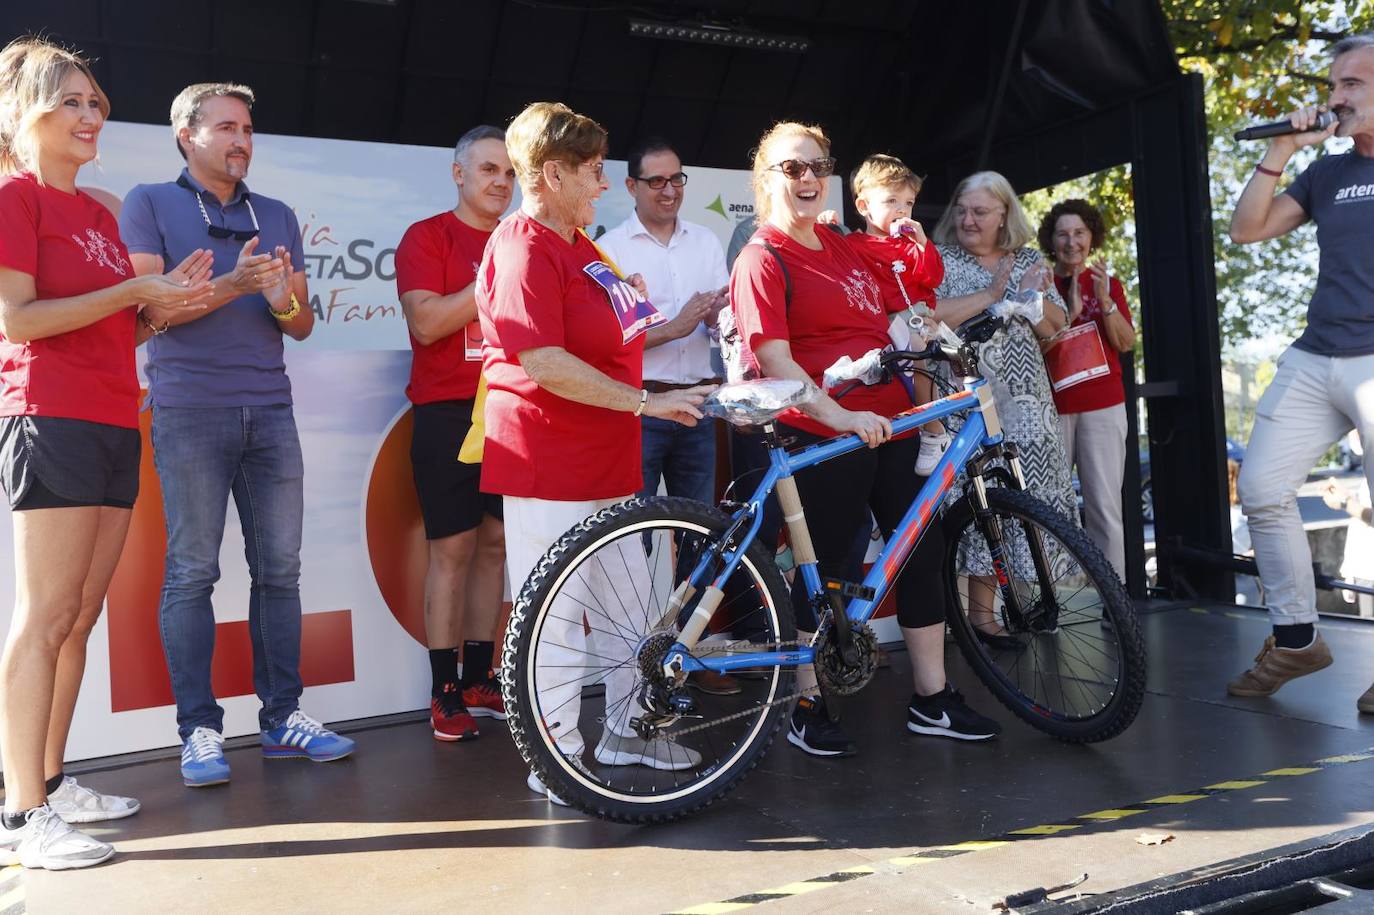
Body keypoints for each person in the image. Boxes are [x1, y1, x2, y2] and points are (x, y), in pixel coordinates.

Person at [0, 37, 213, 869]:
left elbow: (115, 323)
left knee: (80, 615)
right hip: (47, 416)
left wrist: (174, 301)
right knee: (44, 616)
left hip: (114, 417)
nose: (93, 116)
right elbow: (16, 319)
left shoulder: (97, 210)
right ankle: (20, 814)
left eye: (96, 102)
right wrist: (132, 288)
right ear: (30, 114)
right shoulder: (16, 198)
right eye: (74, 103)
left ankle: (48, 780)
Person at [730, 121, 1001, 757]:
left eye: (816, 166)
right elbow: (773, 357)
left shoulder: (842, 245)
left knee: (922, 554)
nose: (806, 178)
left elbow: (910, 295)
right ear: (765, 179)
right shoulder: (761, 257)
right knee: (825, 570)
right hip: (823, 433)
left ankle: (932, 699)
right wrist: (839, 416)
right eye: (791, 168)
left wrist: (909, 243)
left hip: (893, 423)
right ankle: (805, 702)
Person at [475, 102, 712, 804]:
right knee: (555, 617)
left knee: (634, 612)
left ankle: (626, 729)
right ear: (551, 172)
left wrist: (636, 310)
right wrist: (646, 403)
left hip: (607, 460)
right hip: (550, 460)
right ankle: (556, 757)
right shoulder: (521, 245)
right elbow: (544, 361)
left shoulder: (580, 242)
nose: (602, 186)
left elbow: (624, 329)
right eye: (591, 171)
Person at [119, 82, 355, 788]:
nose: (241, 139)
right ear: (185, 136)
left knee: (280, 570)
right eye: (226, 126)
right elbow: (146, 315)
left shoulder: (276, 213)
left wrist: (276, 292)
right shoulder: (149, 203)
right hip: (189, 412)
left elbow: (301, 321)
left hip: (271, 415)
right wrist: (232, 283)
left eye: (247, 128)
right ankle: (197, 729)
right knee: (193, 571)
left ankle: (284, 716)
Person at [1226, 33, 1374, 705]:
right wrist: (1281, 150)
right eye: (1334, 85)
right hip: (1318, 354)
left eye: (1352, 85)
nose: (1336, 98)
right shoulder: (1328, 172)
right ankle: (1295, 638)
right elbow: (1247, 230)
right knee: (1260, 487)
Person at [596, 136, 738, 696]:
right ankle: (637, 669)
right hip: (642, 405)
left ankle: (689, 655)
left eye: (677, 179)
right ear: (630, 187)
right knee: (634, 542)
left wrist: (720, 323)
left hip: (699, 403)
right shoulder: (610, 250)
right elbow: (611, 343)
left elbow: (719, 325)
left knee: (700, 533)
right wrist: (678, 325)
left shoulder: (706, 240)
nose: (669, 190)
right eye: (656, 180)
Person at [395, 126, 512, 742]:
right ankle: (443, 691)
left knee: (496, 548)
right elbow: (428, 320)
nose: (501, 182)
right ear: (459, 173)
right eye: (489, 169)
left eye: (510, 173)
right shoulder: (428, 236)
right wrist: (493, 276)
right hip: (447, 412)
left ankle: (478, 677)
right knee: (454, 551)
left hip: (512, 412)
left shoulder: (525, 239)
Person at [931, 171, 1073, 648]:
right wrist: (992, 296)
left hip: (1028, 398)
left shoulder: (1028, 259)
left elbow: (1057, 323)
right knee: (977, 497)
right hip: (970, 394)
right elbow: (928, 315)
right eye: (963, 210)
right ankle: (977, 617)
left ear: (1005, 216)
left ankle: (1023, 602)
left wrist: (1033, 301)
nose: (968, 220)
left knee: (1024, 497)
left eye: (981, 212)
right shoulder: (940, 259)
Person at [1038, 198, 1136, 580]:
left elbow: (1126, 343)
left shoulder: (1108, 284)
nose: (1071, 241)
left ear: (1091, 236)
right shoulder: (1041, 284)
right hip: (1053, 408)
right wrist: (1072, 313)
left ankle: (1115, 602)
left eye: (1079, 232)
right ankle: (1053, 601)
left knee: (1103, 506)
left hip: (1102, 406)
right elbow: (1035, 347)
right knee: (1049, 507)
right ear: (1052, 239)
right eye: (1063, 233)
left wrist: (1107, 302)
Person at [835, 154, 949, 473]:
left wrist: (923, 242)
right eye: (891, 200)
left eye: (908, 203)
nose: (902, 210)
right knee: (909, 371)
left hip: (915, 316)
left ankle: (934, 432)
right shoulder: (853, 244)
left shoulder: (912, 244)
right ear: (863, 207)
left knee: (923, 361)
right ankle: (929, 430)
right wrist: (826, 225)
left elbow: (933, 277)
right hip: (883, 325)